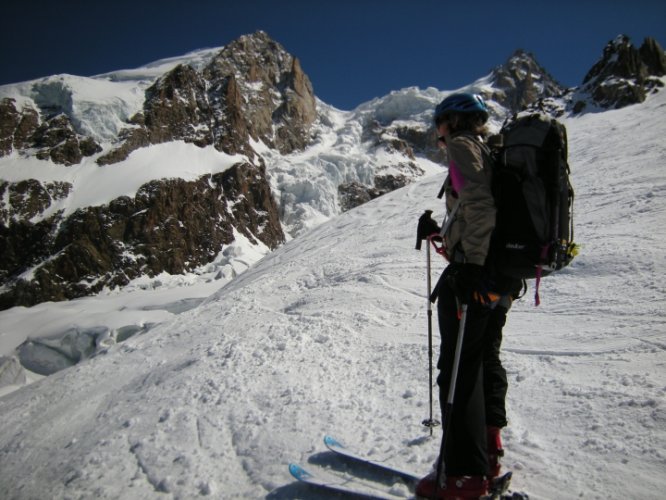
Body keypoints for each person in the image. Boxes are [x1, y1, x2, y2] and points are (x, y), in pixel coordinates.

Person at [416, 93, 521, 499]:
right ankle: (488, 447)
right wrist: (439, 234)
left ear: (451, 122)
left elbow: (479, 204)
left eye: (439, 121)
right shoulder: (488, 151)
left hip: (475, 278)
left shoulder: (461, 147)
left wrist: (473, 267)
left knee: (456, 371)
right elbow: (476, 211)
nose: (437, 130)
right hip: (500, 277)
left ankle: (464, 476)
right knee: (481, 358)